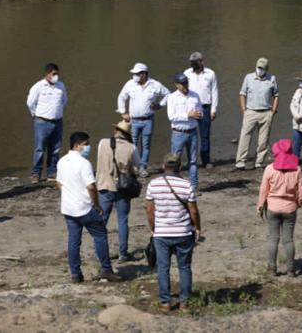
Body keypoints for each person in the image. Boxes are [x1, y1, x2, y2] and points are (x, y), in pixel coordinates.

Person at [57, 131, 123, 283]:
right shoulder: (84, 163)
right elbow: (91, 187)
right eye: (86, 144)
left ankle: (75, 273)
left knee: (74, 240)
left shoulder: (62, 161)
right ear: (77, 145)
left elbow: (59, 183)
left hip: (68, 208)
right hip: (84, 207)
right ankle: (106, 269)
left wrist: (69, 193)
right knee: (100, 235)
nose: (88, 147)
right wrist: (97, 204)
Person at [146, 153, 202, 312]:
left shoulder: (153, 184)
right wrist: (197, 227)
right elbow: (194, 211)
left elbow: (150, 210)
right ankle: (184, 302)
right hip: (183, 232)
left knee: (163, 267)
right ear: (179, 167)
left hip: (161, 233)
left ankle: (165, 302)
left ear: (163, 166)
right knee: (184, 267)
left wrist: (153, 227)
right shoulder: (186, 185)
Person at [257, 140, 302, 276]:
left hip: (273, 207)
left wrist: (260, 206)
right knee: (288, 239)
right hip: (290, 207)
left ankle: (272, 269)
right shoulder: (297, 170)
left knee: (273, 238)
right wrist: (298, 203)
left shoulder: (269, 169)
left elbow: (263, 190)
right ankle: (290, 269)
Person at [96, 121, 140, 263]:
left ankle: (101, 252)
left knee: (102, 220)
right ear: (127, 134)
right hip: (123, 187)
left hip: (104, 185)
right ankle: (123, 253)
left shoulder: (102, 143)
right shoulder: (131, 147)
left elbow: (99, 161)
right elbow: (136, 168)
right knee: (122, 220)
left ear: (115, 130)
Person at [116, 63, 170, 178]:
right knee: (132, 145)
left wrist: (160, 105)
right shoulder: (130, 84)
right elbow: (121, 97)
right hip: (134, 121)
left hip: (148, 120)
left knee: (146, 145)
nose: (134, 76)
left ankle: (142, 167)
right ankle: (132, 167)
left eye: (137, 74)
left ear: (144, 74)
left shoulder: (154, 84)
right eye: (134, 73)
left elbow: (168, 94)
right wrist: (123, 112)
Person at [27, 62, 68, 184]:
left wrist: (57, 113)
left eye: (57, 74)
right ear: (47, 74)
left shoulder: (61, 86)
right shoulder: (38, 87)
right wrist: (35, 115)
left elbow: (64, 100)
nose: (56, 76)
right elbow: (30, 103)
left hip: (58, 121)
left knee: (55, 148)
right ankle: (36, 173)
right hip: (42, 122)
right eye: (54, 74)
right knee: (40, 148)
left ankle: (51, 172)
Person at [236, 58, 279, 171]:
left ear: (266, 69)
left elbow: (276, 95)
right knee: (245, 136)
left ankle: (259, 162)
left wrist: (273, 110)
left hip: (266, 112)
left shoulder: (272, 79)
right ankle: (240, 162)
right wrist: (243, 109)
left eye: (262, 68)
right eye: (258, 67)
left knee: (263, 140)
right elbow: (242, 94)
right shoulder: (248, 77)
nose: (259, 70)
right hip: (250, 112)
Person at [164, 73, 202, 189]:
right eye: (182, 83)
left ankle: (193, 187)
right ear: (176, 85)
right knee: (174, 161)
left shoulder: (195, 95)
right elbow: (171, 116)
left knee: (193, 161)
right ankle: (174, 186)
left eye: (186, 82)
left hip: (193, 132)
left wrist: (199, 114)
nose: (185, 85)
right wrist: (188, 115)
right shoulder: (171, 97)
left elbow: (201, 111)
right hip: (178, 133)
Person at [185, 52, 219, 168]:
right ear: (194, 63)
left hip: (205, 108)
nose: (202, 62)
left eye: (202, 60)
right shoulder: (187, 74)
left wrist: (213, 110)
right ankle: (191, 160)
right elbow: (184, 92)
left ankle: (206, 160)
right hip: (191, 108)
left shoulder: (210, 73)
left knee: (205, 136)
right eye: (200, 61)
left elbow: (214, 92)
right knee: (190, 134)